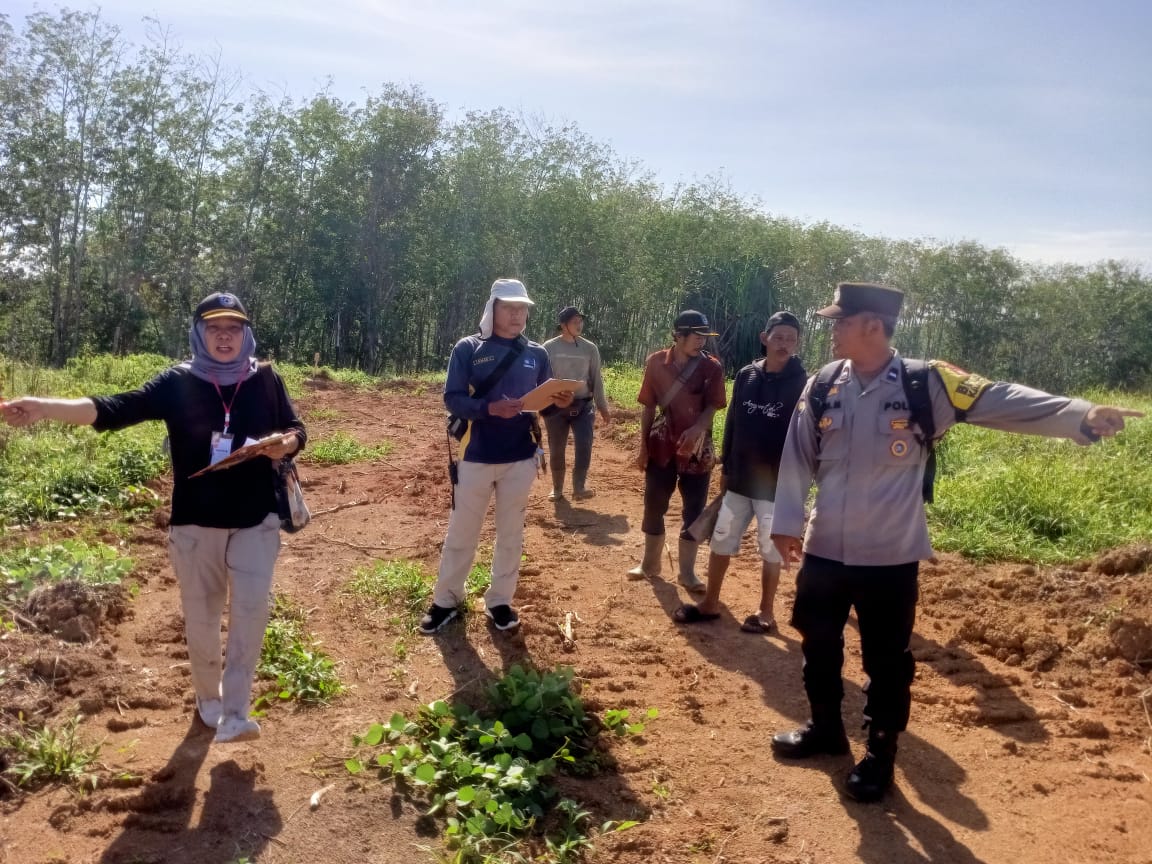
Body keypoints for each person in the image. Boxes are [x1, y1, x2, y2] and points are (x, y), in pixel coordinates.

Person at [769, 281, 1143, 803]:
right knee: (818, 642)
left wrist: (1077, 413)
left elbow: (1002, 399)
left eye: (841, 322)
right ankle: (827, 729)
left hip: (891, 557)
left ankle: (880, 756)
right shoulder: (824, 383)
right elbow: (797, 455)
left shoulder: (928, 383)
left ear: (872, 326)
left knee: (886, 662)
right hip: (824, 546)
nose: (832, 331)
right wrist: (785, 521)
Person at [0, 293, 306, 744]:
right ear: (199, 334)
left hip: (255, 520)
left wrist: (288, 443)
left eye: (234, 328)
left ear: (246, 334)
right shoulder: (177, 383)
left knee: (250, 612)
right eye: (215, 328)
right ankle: (210, 701)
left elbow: (297, 428)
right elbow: (113, 408)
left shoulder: (264, 378)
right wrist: (44, 406)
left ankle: (237, 713)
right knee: (202, 617)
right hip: (195, 524)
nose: (225, 337)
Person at [419, 278, 573, 635]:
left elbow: (543, 406)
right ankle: (445, 600)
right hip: (475, 453)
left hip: (520, 456)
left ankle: (500, 601)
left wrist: (560, 402)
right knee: (463, 531)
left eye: (523, 308)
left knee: (511, 533)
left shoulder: (537, 353)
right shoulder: (468, 348)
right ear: (493, 308)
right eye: (510, 307)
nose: (518, 314)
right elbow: (453, 399)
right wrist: (490, 409)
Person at [672, 311, 806, 632]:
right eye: (779, 337)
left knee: (771, 549)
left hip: (777, 486)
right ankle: (710, 603)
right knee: (721, 540)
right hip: (740, 480)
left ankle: (766, 612)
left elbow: (807, 437)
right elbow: (732, 422)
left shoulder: (803, 383)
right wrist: (727, 465)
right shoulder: (747, 375)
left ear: (797, 343)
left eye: (791, 338)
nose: (784, 344)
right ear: (765, 338)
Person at [628, 310, 727, 592]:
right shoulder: (656, 362)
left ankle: (687, 572)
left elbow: (712, 406)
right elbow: (648, 406)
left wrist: (698, 429)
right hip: (661, 443)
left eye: (704, 337)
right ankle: (650, 564)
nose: (701, 343)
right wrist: (642, 446)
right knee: (654, 504)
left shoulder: (712, 368)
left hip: (697, 448)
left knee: (694, 509)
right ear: (678, 336)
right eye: (696, 337)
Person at [542, 306, 611, 501]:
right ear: (563, 325)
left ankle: (579, 487)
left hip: (583, 405)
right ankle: (557, 488)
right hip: (555, 405)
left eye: (580, 321)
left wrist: (603, 406)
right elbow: (542, 378)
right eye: (575, 321)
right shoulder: (548, 348)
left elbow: (596, 378)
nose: (579, 324)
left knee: (584, 444)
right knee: (556, 447)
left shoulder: (590, 348)